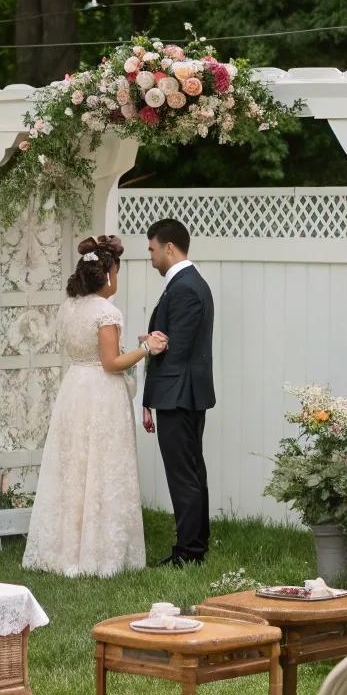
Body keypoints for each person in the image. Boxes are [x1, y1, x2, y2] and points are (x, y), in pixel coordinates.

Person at [23, 234, 167, 578]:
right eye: (115, 272)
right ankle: (100, 550)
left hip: (74, 389)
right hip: (101, 394)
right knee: (103, 465)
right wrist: (148, 348)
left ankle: (66, 545)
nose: (116, 280)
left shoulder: (69, 307)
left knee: (73, 467)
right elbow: (111, 362)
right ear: (106, 276)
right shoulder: (106, 312)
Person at [141, 218, 215, 566]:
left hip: (178, 392)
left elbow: (177, 349)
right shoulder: (185, 283)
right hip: (182, 391)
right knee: (192, 470)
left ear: (169, 248)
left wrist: (151, 345)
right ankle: (195, 544)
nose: (151, 257)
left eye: (153, 250)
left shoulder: (185, 287)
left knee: (183, 473)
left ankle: (189, 552)